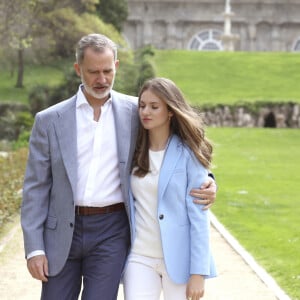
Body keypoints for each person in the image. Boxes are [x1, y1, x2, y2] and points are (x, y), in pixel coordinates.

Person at [21, 33, 217, 300]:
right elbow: (35, 188)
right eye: (93, 72)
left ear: (117, 66)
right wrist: (34, 249)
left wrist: (208, 180)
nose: (101, 79)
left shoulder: (136, 112)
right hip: (61, 232)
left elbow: (177, 144)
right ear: (78, 69)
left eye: (107, 71)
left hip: (111, 230)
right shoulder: (49, 120)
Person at [123, 77, 217, 300]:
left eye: (154, 107)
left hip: (180, 260)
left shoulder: (188, 154)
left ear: (171, 111)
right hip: (139, 257)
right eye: (142, 105)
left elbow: (199, 218)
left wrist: (198, 273)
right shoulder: (131, 151)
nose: (146, 112)